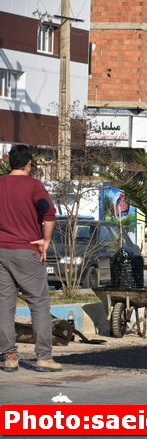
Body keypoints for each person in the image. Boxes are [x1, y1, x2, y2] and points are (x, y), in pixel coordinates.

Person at [0, 145, 61, 372]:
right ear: (29, 164)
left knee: (4, 306)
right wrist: (45, 241)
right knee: (39, 304)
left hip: (1, 252)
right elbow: (48, 210)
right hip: (26, 251)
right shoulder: (34, 185)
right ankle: (44, 358)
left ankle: (10, 357)